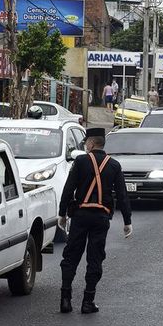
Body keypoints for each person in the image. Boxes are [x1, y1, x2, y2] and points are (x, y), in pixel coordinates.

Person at [58, 128, 132, 314]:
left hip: (80, 216)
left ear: (90, 143)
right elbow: (122, 195)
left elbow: (68, 189)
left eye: (86, 143)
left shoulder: (81, 161)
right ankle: (88, 301)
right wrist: (127, 221)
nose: (85, 145)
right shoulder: (114, 165)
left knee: (71, 256)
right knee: (95, 258)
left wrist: (62, 213)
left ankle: (65, 300)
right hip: (101, 218)